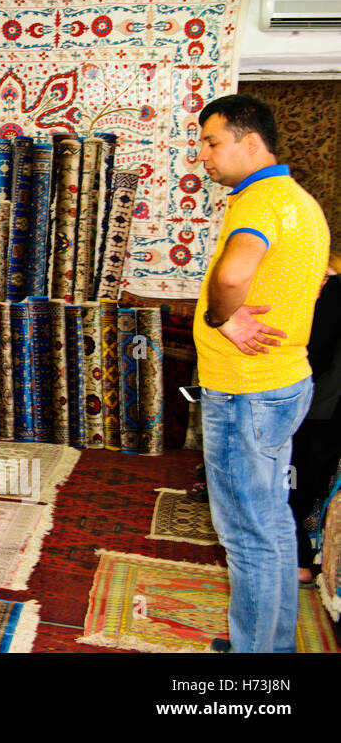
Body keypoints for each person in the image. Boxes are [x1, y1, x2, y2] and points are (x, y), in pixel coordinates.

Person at [193, 93, 330, 653]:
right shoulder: (302, 201)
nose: (203, 155)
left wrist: (220, 317)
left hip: (244, 389)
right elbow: (315, 278)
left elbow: (232, 274)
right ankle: (271, 648)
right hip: (283, 380)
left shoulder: (256, 201)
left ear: (251, 142)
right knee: (270, 520)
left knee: (246, 533)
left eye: (212, 142)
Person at [290, 251, 341, 584]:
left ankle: (297, 560)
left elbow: (317, 352)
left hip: (322, 406)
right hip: (328, 408)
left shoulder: (336, 291)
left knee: (295, 479)